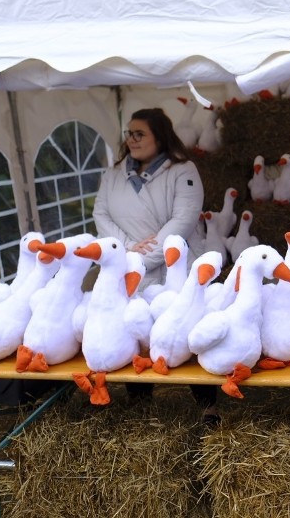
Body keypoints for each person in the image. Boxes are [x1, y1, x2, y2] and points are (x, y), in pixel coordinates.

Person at [93, 107, 219, 423]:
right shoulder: (113, 174)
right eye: (129, 134)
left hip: (175, 267)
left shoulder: (183, 171)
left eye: (140, 134)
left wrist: (143, 256)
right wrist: (126, 249)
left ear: (159, 136)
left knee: (186, 335)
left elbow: (184, 218)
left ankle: (208, 409)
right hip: (134, 271)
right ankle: (141, 408)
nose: (132, 140)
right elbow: (101, 215)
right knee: (136, 334)